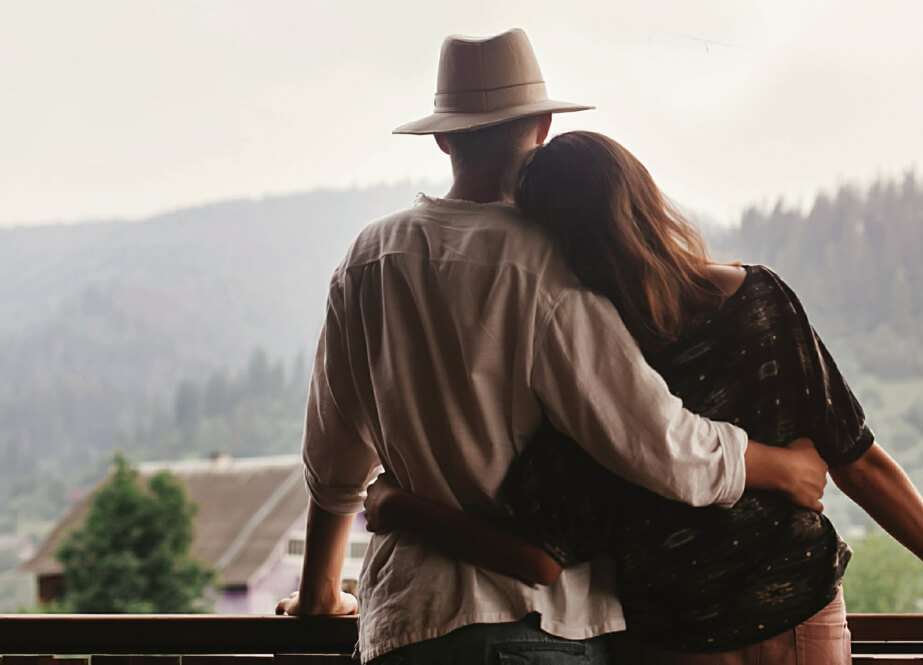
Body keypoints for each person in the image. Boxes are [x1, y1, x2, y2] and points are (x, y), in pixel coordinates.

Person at [363, 131, 923, 664]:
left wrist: (397, 504)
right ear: (639, 197)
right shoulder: (756, 303)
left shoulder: (588, 366)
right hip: (799, 614)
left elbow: (539, 552)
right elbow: (860, 462)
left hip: (673, 639)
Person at [276, 29, 829, 665]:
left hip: (405, 626)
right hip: (539, 624)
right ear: (540, 128)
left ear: (443, 136)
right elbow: (656, 443)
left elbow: (333, 462)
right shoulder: (550, 263)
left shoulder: (366, 260)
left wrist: (319, 597)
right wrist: (777, 466)